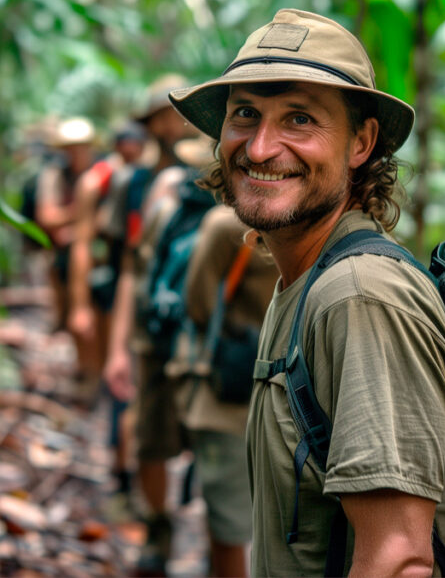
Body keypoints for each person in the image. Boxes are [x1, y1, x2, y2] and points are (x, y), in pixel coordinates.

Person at [168, 9, 445, 576]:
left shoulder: (360, 297)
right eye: (245, 114)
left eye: (300, 120)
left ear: (361, 143)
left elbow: (398, 559)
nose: (260, 148)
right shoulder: (305, 282)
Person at [102, 75, 198, 576]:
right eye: (165, 113)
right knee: (149, 434)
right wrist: (116, 346)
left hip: (207, 332)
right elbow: (127, 269)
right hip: (152, 328)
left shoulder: (217, 170)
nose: (174, 122)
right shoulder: (135, 182)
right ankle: (159, 528)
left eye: (182, 112)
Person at [169, 135, 277, 578]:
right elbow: (199, 303)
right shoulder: (225, 227)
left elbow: (197, 302)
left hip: (265, 387)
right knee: (232, 515)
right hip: (234, 387)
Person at [67, 121, 149, 402]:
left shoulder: (150, 175)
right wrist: (79, 306)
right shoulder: (95, 182)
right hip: (110, 271)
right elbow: (82, 244)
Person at [34, 115, 96, 335]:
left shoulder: (100, 173)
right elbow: (47, 217)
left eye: (81, 147)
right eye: (71, 148)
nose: (77, 153)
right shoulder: (54, 175)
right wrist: (81, 212)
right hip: (62, 252)